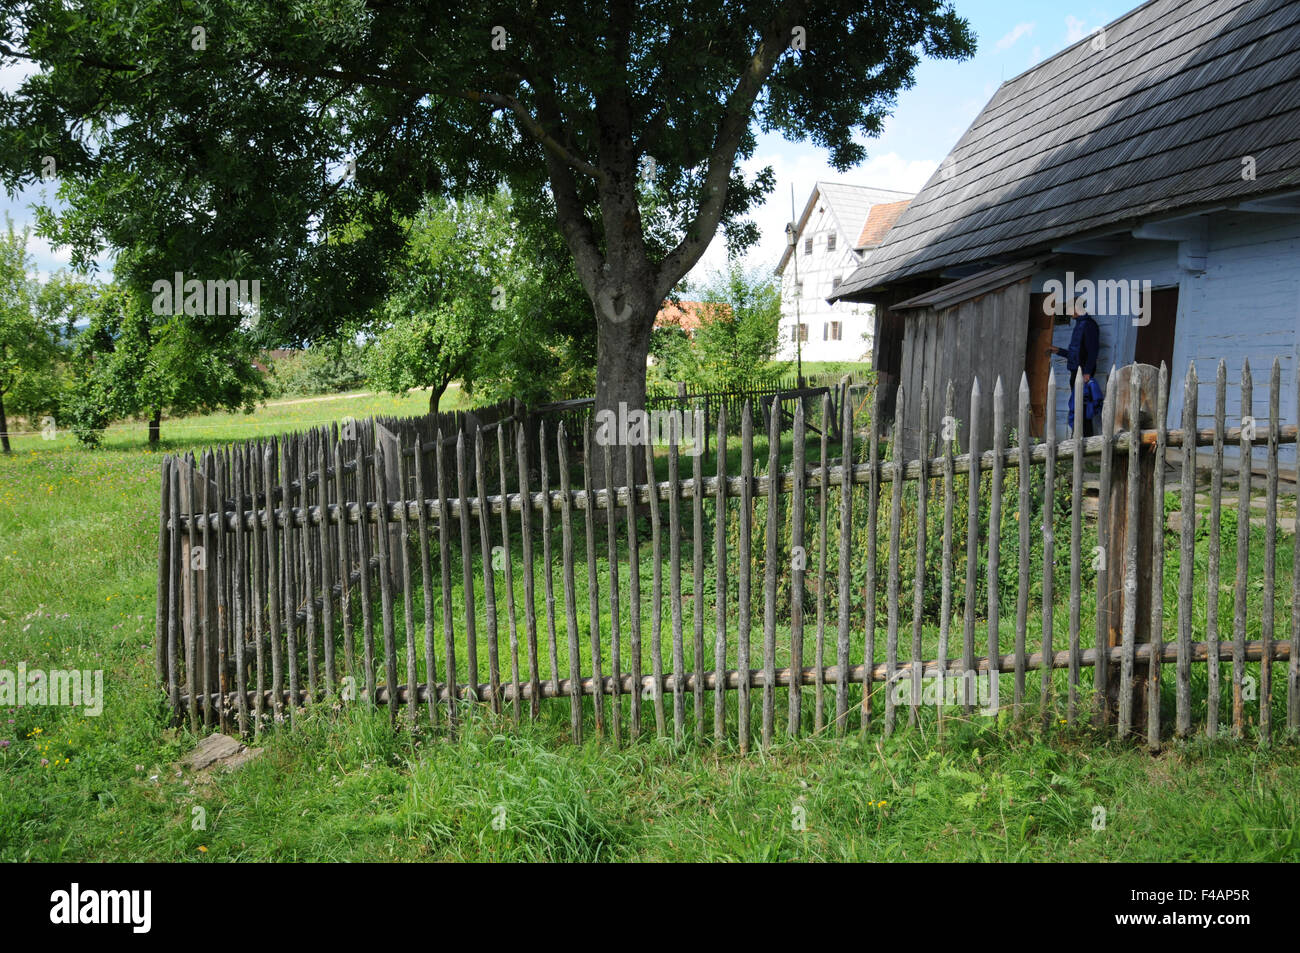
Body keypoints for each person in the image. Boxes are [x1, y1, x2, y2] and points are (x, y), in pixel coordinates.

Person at [1047, 297, 1101, 437]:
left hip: (1083, 373)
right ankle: (1077, 436)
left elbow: (1093, 351)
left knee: (1083, 406)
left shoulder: (1089, 325)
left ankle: (1085, 438)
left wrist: (1087, 372)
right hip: (1075, 372)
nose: (1068, 311)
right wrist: (1058, 350)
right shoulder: (1079, 324)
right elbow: (1075, 353)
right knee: (1076, 405)